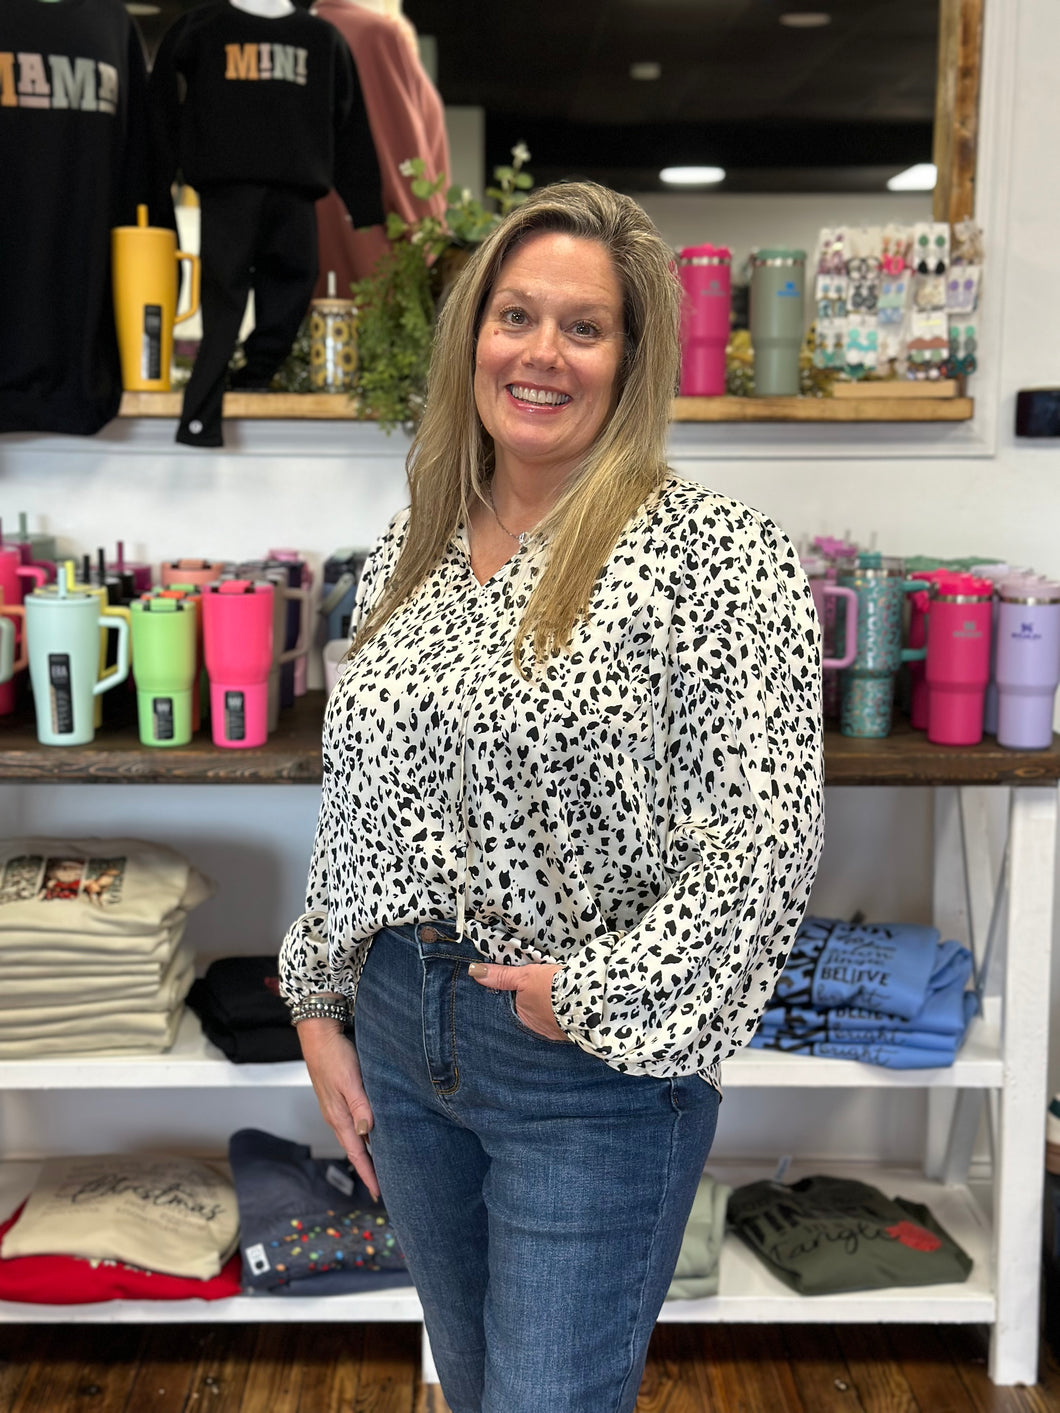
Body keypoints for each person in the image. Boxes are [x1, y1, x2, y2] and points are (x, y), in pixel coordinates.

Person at [280, 180, 825, 1413]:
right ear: (472, 331)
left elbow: (764, 840)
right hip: (401, 1037)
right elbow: (356, 804)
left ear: (629, 362)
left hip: (582, 1064)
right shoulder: (409, 546)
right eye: (514, 314)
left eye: (583, 328)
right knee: (477, 1392)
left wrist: (592, 998)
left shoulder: (712, 553)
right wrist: (316, 1003)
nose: (540, 353)